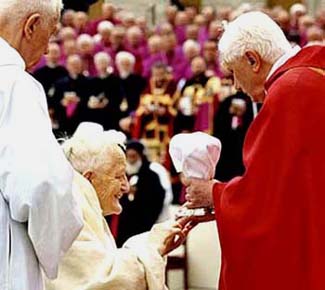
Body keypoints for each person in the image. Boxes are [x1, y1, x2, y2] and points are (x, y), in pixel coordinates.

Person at [184, 11, 325, 290]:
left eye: (234, 73)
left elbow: (265, 201)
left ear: (252, 59)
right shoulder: (313, 76)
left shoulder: (291, 91)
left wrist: (213, 194)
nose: (236, 85)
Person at [46, 123, 192, 290]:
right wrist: (153, 246)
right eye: (118, 176)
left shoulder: (81, 203)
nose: (126, 186)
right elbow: (106, 281)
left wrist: (154, 242)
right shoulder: (69, 212)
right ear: (89, 178)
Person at [0, 1, 83, 290]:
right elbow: (41, 185)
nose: (48, 50)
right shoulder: (14, 84)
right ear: (31, 25)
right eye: (49, 35)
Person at [116, 140, 166, 247]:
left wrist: (138, 193)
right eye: (128, 157)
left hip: (142, 225)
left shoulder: (151, 177)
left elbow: (157, 200)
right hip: (120, 226)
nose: (130, 160)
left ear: (140, 156)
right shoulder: (119, 174)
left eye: (133, 156)